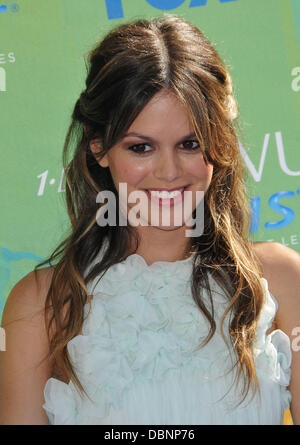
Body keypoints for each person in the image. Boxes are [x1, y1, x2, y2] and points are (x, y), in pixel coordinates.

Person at [0, 14, 299, 425]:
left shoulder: (281, 280)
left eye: (190, 144)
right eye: (141, 148)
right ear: (99, 147)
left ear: (218, 145)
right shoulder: (41, 304)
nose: (170, 172)